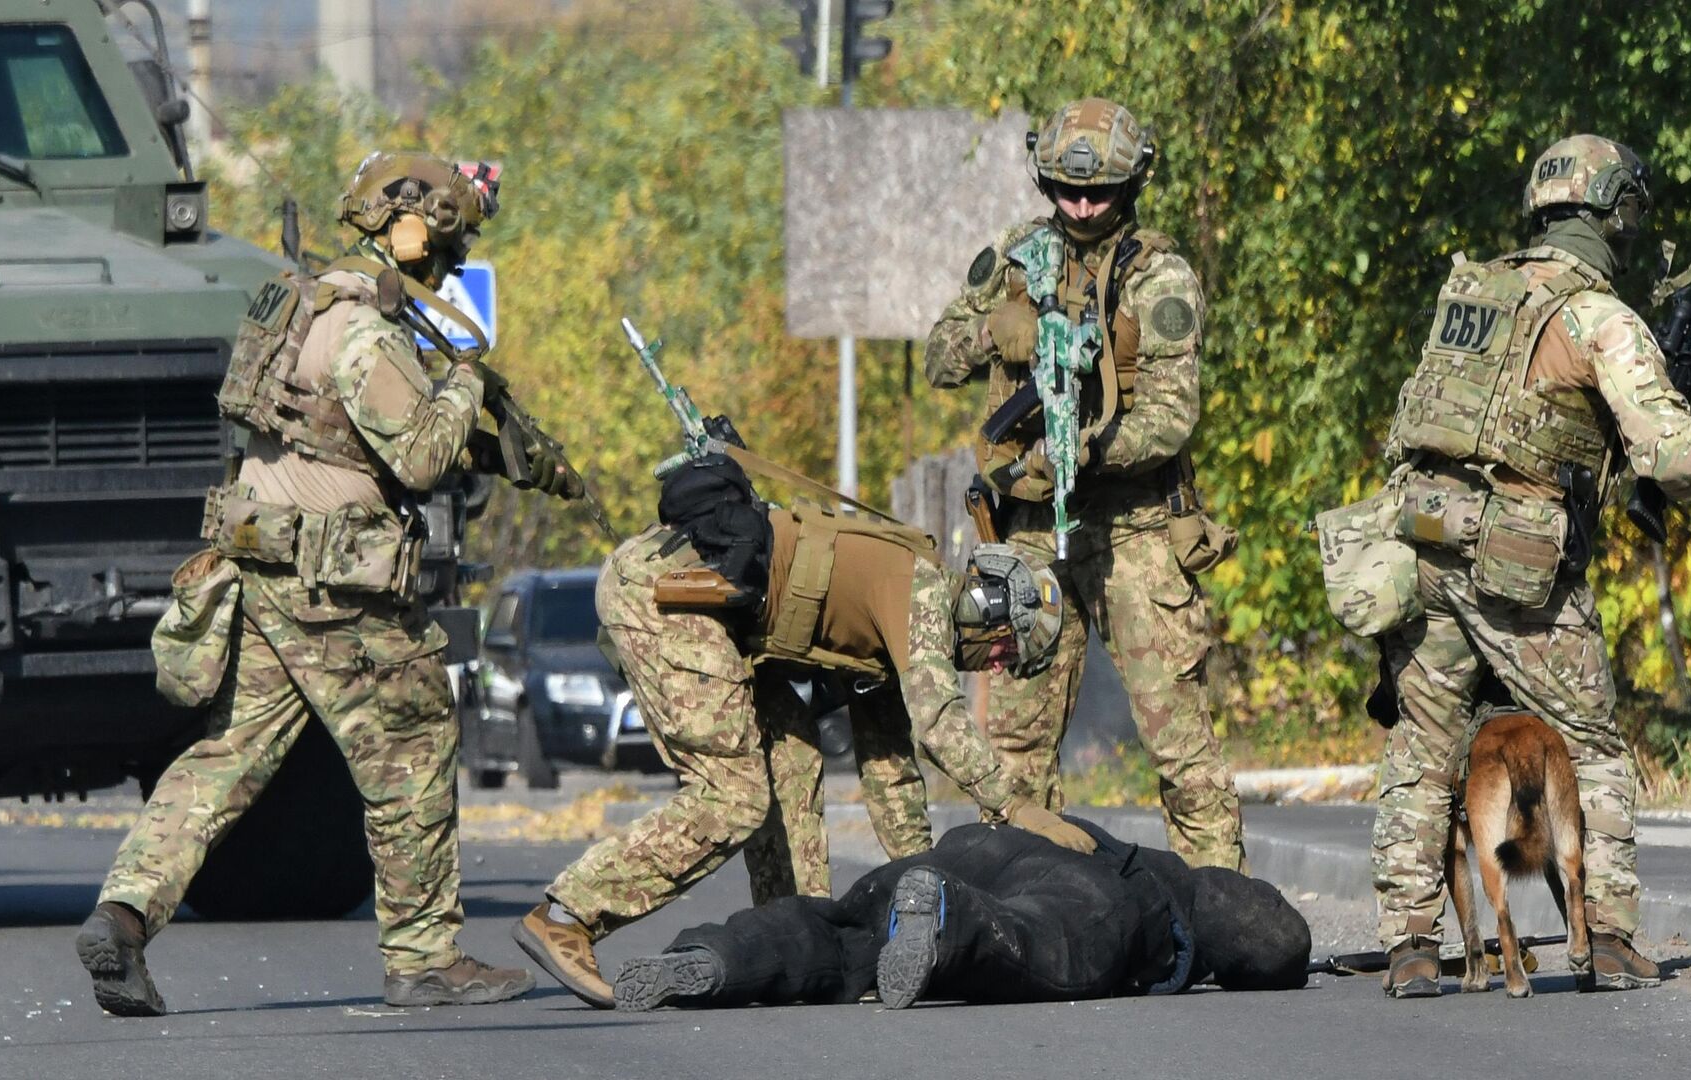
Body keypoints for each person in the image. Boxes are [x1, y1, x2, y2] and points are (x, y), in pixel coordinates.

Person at [77, 152, 581, 1016]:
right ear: (410, 229)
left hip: (264, 569)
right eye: (446, 249)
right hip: (333, 585)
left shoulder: (303, 303)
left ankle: (122, 915)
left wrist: (504, 455)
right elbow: (418, 458)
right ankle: (423, 958)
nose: (448, 268)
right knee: (417, 742)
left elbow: (348, 439)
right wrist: (463, 376)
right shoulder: (365, 331)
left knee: (228, 755)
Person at [513, 454, 1096, 1009]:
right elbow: (938, 722)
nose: (995, 667)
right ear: (985, 607)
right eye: (1003, 650)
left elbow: (893, 780)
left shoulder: (895, 635)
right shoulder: (919, 592)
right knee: (734, 797)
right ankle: (568, 916)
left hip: (705, 612)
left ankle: (790, 941)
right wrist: (1016, 806)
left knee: (792, 757)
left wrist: (933, 911)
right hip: (664, 594)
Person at [1353, 135, 1691, 997]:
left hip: (1423, 543)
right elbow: (1671, 458)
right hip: (1517, 565)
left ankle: (1410, 946)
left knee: (1424, 747)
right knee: (1590, 744)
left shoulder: (1473, 296)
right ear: (1616, 212)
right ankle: (1613, 936)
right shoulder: (1598, 316)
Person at [924, 98, 1242, 871]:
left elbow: (1172, 416)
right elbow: (939, 357)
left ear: (1132, 185)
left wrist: (1084, 453)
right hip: (1031, 529)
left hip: (1132, 526)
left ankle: (1223, 901)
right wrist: (1001, 332)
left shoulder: (1158, 276)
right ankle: (1033, 900)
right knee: (1017, 741)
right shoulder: (1016, 258)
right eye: (1068, 192)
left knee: (1177, 740)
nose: (1082, 206)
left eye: (1099, 192)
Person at [608, 817, 1310, 1011]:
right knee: (1047, 940)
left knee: (841, 932)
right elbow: (1278, 940)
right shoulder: (1175, 885)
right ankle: (948, 918)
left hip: (965, 843)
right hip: (1072, 871)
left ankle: (716, 958)